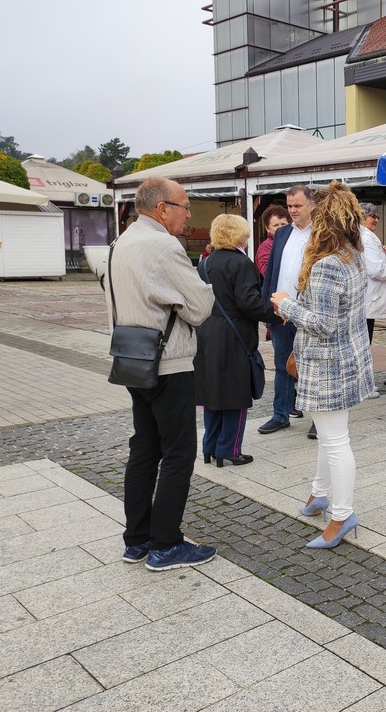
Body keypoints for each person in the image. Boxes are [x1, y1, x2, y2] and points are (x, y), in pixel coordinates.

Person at [106, 177, 216, 571]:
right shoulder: (164, 245)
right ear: (161, 208)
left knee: (144, 449)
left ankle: (136, 540)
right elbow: (200, 306)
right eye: (184, 207)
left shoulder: (120, 243)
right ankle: (166, 544)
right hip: (169, 362)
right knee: (179, 452)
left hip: (132, 358)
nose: (188, 214)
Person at [272, 181, 374, 548]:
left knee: (335, 441)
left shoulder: (330, 264)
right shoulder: (352, 253)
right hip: (346, 358)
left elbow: (323, 324)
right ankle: (319, 494)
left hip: (329, 363)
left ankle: (343, 515)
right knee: (330, 436)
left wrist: (285, 303)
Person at [195, 214, 279, 468]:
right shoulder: (240, 263)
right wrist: (275, 314)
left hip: (208, 333)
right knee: (235, 395)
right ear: (240, 234)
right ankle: (229, 449)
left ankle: (210, 447)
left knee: (213, 394)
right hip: (233, 337)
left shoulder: (205, 263)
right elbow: (249, 302)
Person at [260, 185, 313, 437]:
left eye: (297, 205)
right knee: (282, 365)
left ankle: (318, 419)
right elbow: (272, 272)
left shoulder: (321, 235)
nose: (292, 210)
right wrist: (267, 307)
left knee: (313, 367)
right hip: (281, 312)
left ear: (311, 205)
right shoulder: (282, 235)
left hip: (309, 314)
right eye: (290, 205)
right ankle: (280, 415)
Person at [359, 202, 386, 383]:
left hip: (371, 295)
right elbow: (377, 270)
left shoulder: (368, 236)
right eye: (373, 216)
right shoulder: (365, 237)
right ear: (363, 217)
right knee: (365, 340)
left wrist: (384, 256)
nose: (377, 220)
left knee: (366, 338)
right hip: (370, 295)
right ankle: (364, 381)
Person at [255, 204, 290, 277]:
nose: (280, 228)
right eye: (276, 225)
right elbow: (267, 272)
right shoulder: (265, 247)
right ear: (267, 228)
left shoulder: (294, 241)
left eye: (283, 224)